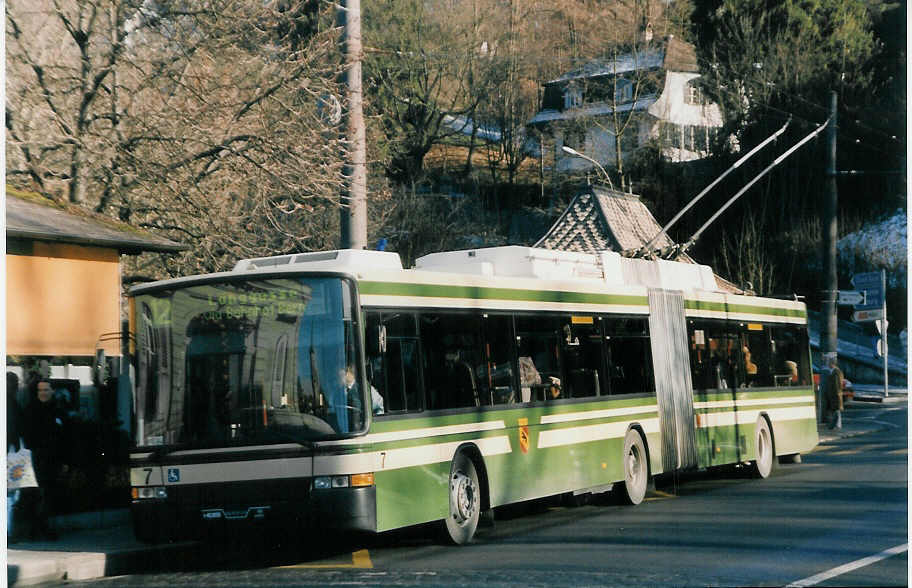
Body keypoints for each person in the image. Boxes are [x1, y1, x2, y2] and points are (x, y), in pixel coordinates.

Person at [22, 378, 68, 540]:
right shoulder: (31, 410)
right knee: (37, 494)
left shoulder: (58, 409)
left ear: (52, 391)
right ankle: (38, 528)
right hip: (36, 458)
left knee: (49, 494)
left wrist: (64, 461)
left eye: (46, 390)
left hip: (53, 458)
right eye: (40, 390)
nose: (43, 393)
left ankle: (41, 527)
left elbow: (65, 437)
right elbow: (27, 435)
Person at [823, 357, 844, 430]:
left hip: (835, 395)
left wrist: (836, 394)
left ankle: (837, 425)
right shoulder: (833, 372)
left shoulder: (836, 372)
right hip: (834, 395)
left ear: (832, 364)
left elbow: (837, 385)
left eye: (829, 363)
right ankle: (837, 425)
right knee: (836, 410)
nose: (828, 364)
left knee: (836, 410)